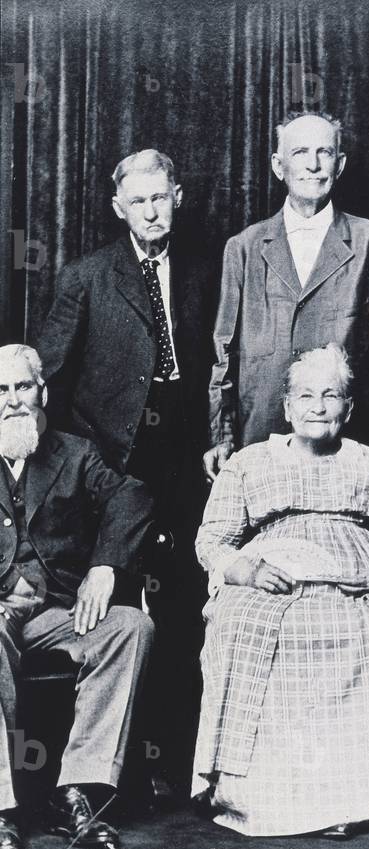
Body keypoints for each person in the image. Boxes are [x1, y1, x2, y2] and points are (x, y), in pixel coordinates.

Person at [194, 345, 369, 837]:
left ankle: (361, 795)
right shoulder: (248, 462)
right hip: (272, 572)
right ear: (287, 407)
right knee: (242, 624)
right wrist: (248, 572)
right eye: (306, 396)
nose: (318, 407)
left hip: (361, 574)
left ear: (349, 407)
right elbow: (212, 541)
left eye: (331, 395)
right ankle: (266, 794)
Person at [36, 149, 217, 791]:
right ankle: (118, 768)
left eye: (159, 198)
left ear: (177, 198)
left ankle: (174, 761)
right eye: (138, 201)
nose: (151, 211)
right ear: (119, 209)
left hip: (186, 460)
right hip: (112, 462)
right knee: (116, 606)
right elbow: (48, 375)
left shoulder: (206, 270)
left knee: (185, 600)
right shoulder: (86, 276)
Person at [204, 111, 369, 484]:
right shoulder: (243, 247)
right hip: (260, 443)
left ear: (339, 164)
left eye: (324, 153)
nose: (312, 165)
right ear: (278, 166)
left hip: (346, 446)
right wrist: (222, 437)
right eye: (300, 153)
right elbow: (224, 354)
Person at [0, 345, 154, 849]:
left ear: (42, 393)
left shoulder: (76, 453)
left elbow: (131, 494)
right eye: (0, 390)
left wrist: (104, 566)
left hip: (59, 612)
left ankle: (78, 791)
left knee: (130, 626)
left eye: (23, 386)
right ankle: (1, 806)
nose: (13, 401)